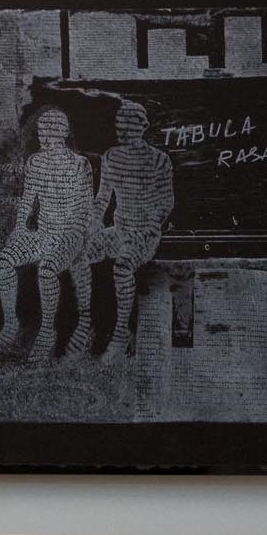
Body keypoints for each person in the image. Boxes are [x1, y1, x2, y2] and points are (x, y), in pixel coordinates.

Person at [0, 108, 94, 360]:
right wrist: (20, 228)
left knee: (47, 269)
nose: (45, 136)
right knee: (3, 261)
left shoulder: (79, 165)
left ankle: (47, 331)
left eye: (51, 131)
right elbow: (28, 199)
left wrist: (73, 239)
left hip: (71, 235)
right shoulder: (35, 162)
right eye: (42, 131)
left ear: (64, 133)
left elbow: (85, 210)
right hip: (43, 233)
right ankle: (10, 324)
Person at [87, 101, 174, 358]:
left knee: (123, 265)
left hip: (145, 235)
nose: (123, 132)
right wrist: (94, 223)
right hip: (120, 230)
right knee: (79, 255)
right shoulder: (111, 157)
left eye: (128, 126)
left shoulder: (159, 160)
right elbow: (103, 197)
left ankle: (121, 333)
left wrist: (150, 226)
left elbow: (166, 201)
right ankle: (89, 326)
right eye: (119, 126)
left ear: (142, 126)